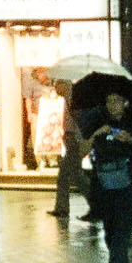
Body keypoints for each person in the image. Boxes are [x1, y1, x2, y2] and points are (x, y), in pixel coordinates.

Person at [83, 89, 132, 263]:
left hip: (124, 186)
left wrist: (130, 140)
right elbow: (81, 150)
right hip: (103, 186)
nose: (113, 105)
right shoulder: (99, 124)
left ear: (125, 103)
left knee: (122, 229)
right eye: (109, 101)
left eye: (117, 101)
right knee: (109, 231)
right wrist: (97, 134)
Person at [47, 80, 88, 221]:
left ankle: (63, 208)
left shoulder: (73, 100)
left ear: (65, 84)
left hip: (74, 141)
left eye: (58, 85)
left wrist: (79, 139)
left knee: (66, 175)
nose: (56, 89)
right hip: (71, 139)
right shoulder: (67, 99)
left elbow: (79, 122)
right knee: (74, 175)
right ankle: (62, 208)